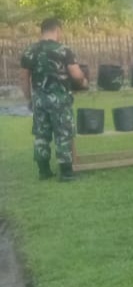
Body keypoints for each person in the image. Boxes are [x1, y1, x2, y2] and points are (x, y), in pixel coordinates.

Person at [20, 18, 87, 182]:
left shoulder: (29, 51)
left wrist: (30, 98)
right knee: (63, 133)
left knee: (41, 134)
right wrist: (83, 81)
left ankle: (44, 171)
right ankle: (66, 173)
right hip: (60, 99)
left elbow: (23, 79)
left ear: (42, 31)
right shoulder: (63, 50)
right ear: (57, 30)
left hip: (39, 99)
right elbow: (77, 75)